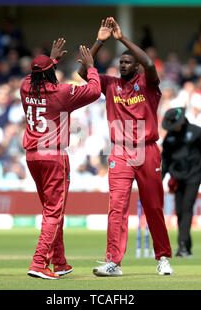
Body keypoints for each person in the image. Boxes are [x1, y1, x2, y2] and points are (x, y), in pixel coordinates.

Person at [78, 17, 174, 277]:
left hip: (148, 149)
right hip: (120, 150)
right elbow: (82, 74)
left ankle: (163, 257)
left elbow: (151, 64)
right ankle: (113, 262)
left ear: (137, 67)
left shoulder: (148, 84)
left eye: (127, 62)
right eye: (120, 62)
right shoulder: (109, 85)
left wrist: (121, 39)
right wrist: (99, 42)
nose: (122, 65)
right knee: (117, 208)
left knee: (153, 206)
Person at [21, 38, 101, 279]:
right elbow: (95, 90)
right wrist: (91, 67)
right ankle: (38, 263)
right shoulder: (61, 93)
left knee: (51, 211)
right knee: (54, 213)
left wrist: (51, 61)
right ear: (50, 73)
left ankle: (60, 262)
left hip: (32, 156)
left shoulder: (25, 88)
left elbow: (33, 76)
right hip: (53, 156)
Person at [161, 107, 201, 257]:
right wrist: (159, 178)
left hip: (193, 176)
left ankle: (182, 247)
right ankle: (187, 245)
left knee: (187, 208)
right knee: (180, 212)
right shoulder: (170, 137)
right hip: (177, 179)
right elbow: (165, 160)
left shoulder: (196, 132)